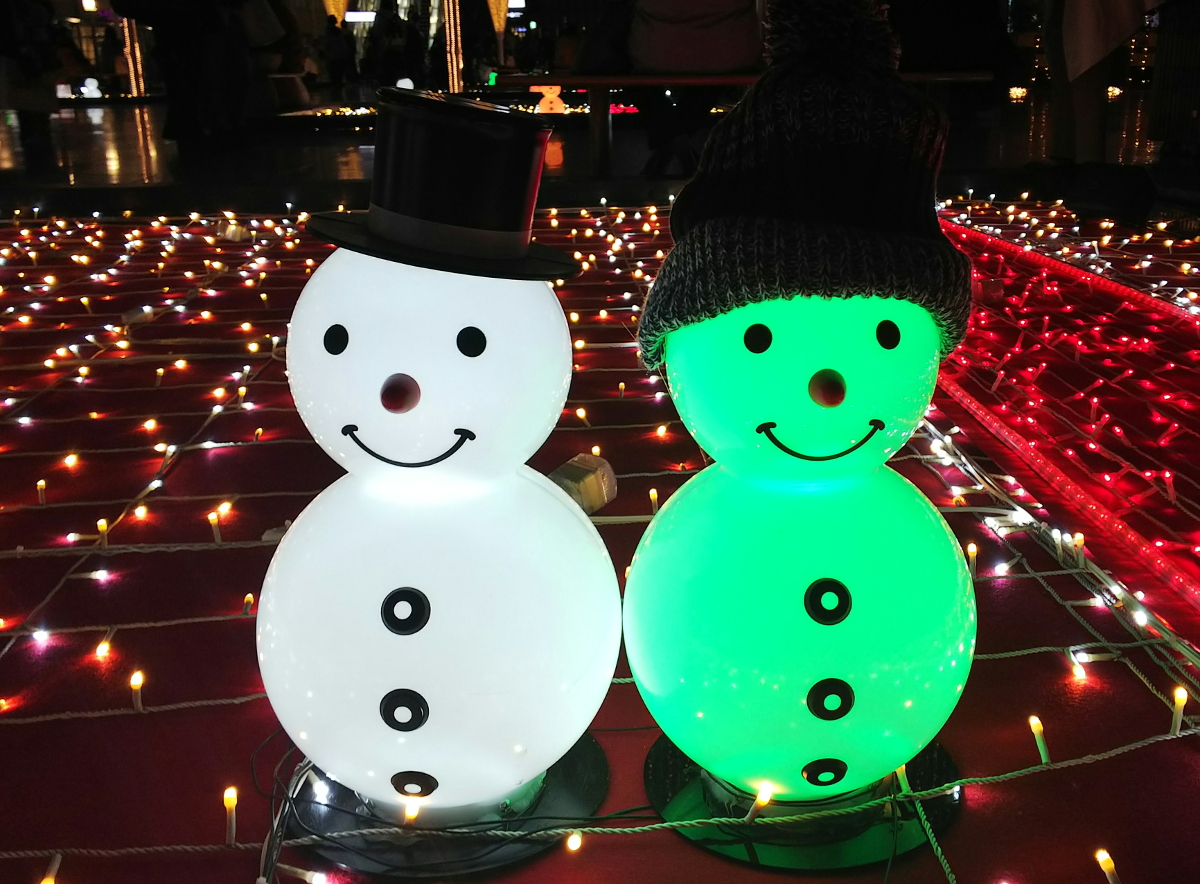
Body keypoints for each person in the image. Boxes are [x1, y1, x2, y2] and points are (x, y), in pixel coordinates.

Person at [624, 0, 764, 177]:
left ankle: (673, 139)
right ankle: (677, 140)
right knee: (715, 58)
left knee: (617, 62)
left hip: (656, 50)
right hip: (728, 50)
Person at [0, 0, 64, 176]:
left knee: (28, 108)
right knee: (34, 109)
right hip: (31, 56)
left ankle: (35, 149)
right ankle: (39, 150)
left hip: (23, 56)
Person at [321, 14, 350, 100]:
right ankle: (339, 95)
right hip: (340, 57)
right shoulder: (338, 32)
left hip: (332, 57)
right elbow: (342, 45)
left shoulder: (327, 32)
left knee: (333, 76)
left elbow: (326, 45)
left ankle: (335, 95)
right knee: (339, 76)